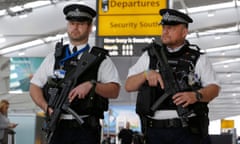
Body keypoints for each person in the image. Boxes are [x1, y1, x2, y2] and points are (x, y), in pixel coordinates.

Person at [125, 8, 220, 144]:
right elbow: (129, 85)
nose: (165, 31)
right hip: (155, 132)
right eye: (164, 27)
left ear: (184, 32)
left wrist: (196, 96)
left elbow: (214, 89)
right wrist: (146, 74)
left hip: (187, 131)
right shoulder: (149, 56)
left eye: (171, 28)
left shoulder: (197, 58)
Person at [29, 3, 121, 144]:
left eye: (80, 24)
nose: (75, 27)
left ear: (90, 28)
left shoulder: (99, 59)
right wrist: (46, 107)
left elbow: (114, 90)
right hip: (58, 126)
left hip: (86, 128)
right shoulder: (54, 57)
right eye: (72, 23)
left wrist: (92, 85)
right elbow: (34, 86)